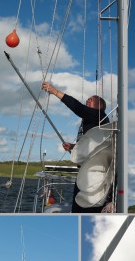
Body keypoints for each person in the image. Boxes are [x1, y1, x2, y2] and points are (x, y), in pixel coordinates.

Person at [41, 82, 109, 213]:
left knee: (86, 208)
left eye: (91, 99)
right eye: (87, 99)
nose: (87, 100)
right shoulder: (90, 120)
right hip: (85, 170)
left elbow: (77, 107)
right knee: (78, 207)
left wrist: (55, 91)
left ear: (100, 106)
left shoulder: (99, 116)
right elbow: (90, 144)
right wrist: (73, 147)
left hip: (94, 173)